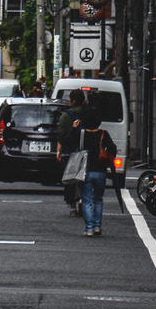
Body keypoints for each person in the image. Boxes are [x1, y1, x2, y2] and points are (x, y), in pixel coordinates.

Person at [79, 95, 116, 238]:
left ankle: (88, 228)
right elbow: (112, 149)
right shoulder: (103, 134)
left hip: (85, 171)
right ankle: (97, 226)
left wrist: (74, 128)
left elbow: (69, 142)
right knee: (98, 199)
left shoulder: (81, 134)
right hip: (100, 171)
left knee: (87, 200)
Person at [57, 87, 85, 215]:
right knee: (84, 178)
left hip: (69, 152)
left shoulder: (66, 115)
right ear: (83, 101)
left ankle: (73, 207)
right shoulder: (89, 113)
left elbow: (61, 136)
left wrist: (59, 151)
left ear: (72, 101)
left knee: (70, 179)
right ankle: (83, 200)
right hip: (86, 151)